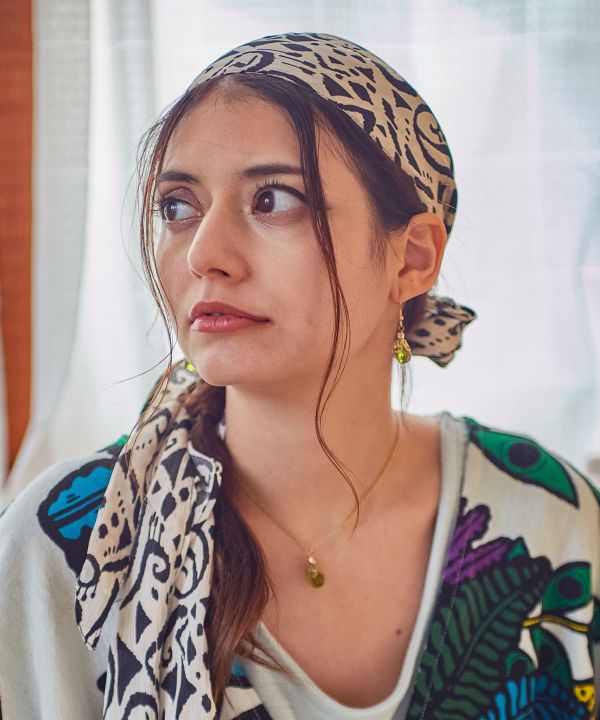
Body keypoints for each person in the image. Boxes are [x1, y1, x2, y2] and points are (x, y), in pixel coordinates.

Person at [0, 31, 598, 720]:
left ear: (412, 258)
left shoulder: (551, 523)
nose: (203, 254)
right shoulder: (69, 547)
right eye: (177, 207)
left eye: (274, 200)